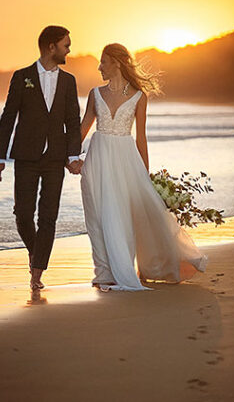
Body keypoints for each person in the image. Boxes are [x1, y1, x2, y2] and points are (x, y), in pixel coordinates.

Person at [76, 43, 208, 291]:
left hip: (126, 160)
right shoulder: (95, 94)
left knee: (123, 215)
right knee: (97, 215)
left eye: (103, 61)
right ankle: (104, 272)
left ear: (116, 62)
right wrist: (70, 156)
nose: (99, 67)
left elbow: (141, 138)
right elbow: (83, 128)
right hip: (97, 159)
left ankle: (125, 267)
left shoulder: (139, 96)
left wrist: (144, 175)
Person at [0, 26, 84, 291]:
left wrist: (72, 155)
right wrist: (0, 155)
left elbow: (73, 121)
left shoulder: (69, 81)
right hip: (26, 156)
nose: (69, 49)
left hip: (56, 158)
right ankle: (36, 252)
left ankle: (37, 273)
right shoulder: (22, 77)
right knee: (23, 214)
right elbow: (8, 117)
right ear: (51, 46)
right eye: (66, 45)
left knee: (48, 217)